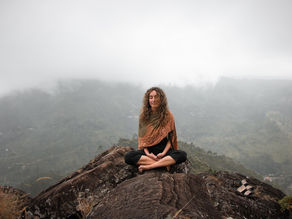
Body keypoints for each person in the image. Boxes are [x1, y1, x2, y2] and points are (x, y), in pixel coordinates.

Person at [124, 87, 187, 172]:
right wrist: (148, 154)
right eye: (151, 97)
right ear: (148, 100)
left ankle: (149, 166)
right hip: (149, 151)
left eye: (156, 97)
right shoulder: (144, 117)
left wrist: (164, 153)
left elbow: (171, 138)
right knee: (128, 157)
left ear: (161, 99)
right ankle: (163, 165)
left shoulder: (168, 116)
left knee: (182, 155)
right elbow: (143, 140)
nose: (153, 100)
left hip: (163, 150)